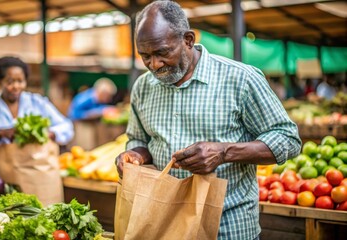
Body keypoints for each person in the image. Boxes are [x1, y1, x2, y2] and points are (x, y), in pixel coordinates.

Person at [115, 1, 301, 239]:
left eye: (162, 53)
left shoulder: (240, 79)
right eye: (145, 56)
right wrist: (135, 155)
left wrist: (225, 152)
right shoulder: (143, 87)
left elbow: (288, 139)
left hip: (228, 227)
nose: (154, 64)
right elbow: (138, 138)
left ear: (188, 40)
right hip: (165, 224)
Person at [0, 56, 74, 178]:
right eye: (10, 82)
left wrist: (50, 133)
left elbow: (67, 127)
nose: (16, 86)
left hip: (35, 176)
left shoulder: (37, 102)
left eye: (20, 81)